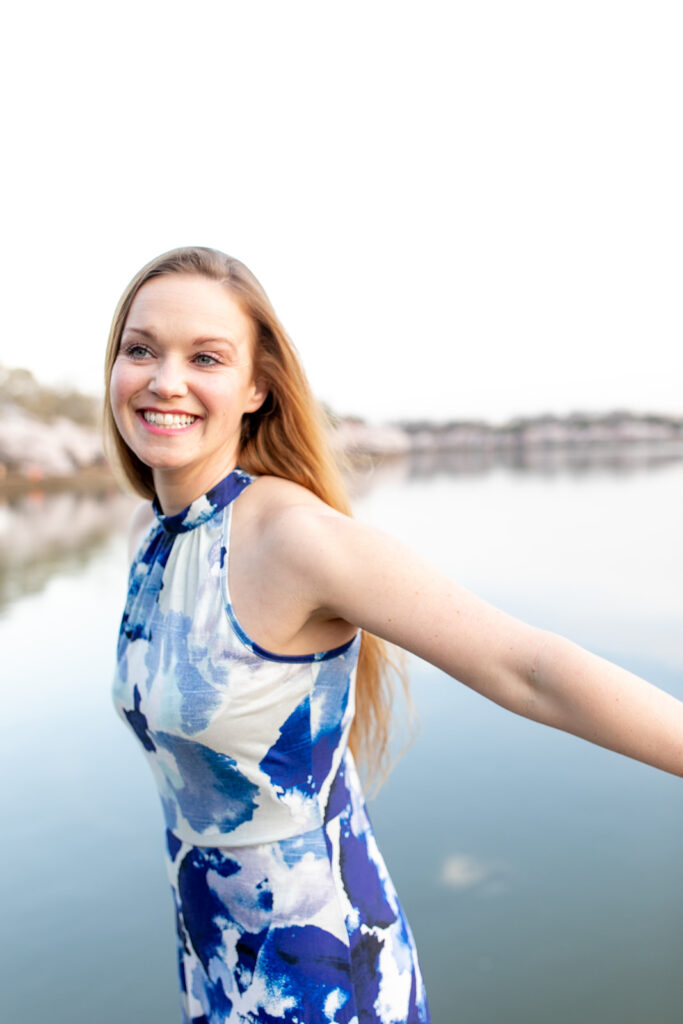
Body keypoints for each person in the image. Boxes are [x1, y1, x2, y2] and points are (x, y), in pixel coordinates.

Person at [106, 246, 682, 1024]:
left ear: (256, 386)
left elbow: (527, 666)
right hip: (215, 953)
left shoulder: (296, 540)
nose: (164, 380)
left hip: (317, 971)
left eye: (204, 356)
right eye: (140, 349)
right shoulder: (160, 533)